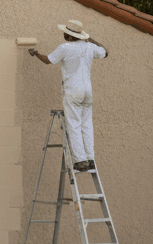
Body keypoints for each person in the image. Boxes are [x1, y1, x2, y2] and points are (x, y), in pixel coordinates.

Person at [29, 19, 108, 172]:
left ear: (70, 35)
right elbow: (105, 52)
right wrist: (89, 39)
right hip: (87, 91)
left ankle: (80, 161)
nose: (64, 34)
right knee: (86, 124)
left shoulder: (65, 47)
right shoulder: (90, 47)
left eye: (66, 32)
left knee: (74, 123)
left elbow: (48, 61)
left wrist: (36, 53)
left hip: (73, 90)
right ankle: (90, 158)